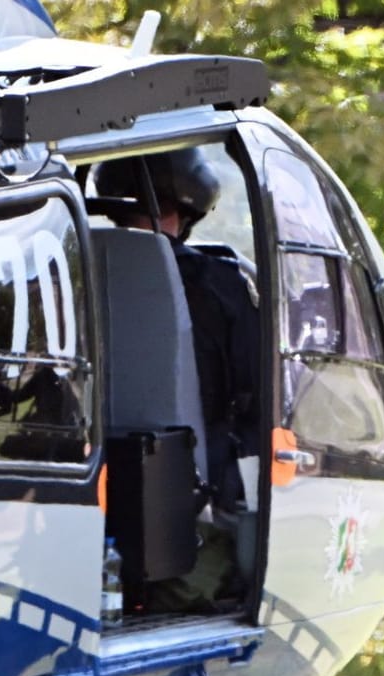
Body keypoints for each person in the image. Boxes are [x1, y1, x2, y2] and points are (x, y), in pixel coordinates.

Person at [93, 148, 262, 611]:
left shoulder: (72, 275)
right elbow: (257, 396)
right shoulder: (221, 285)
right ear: (189, 208)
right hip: (187, 523)